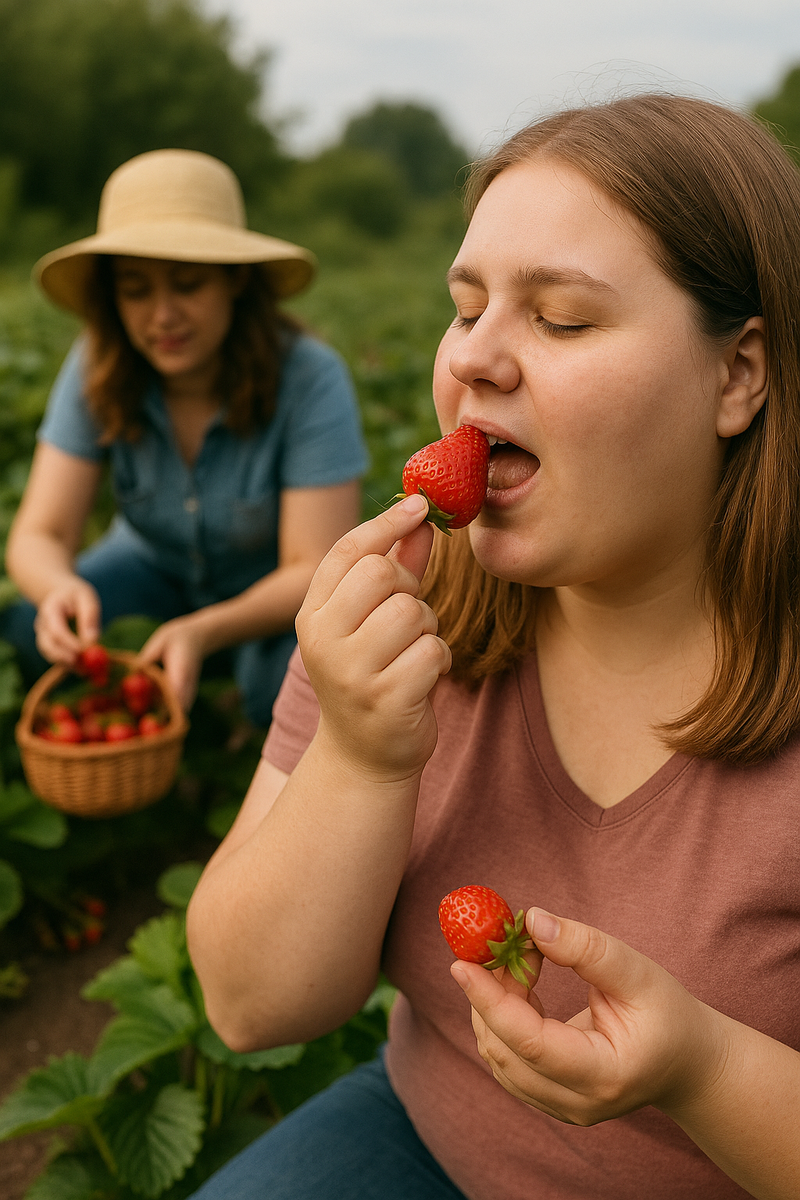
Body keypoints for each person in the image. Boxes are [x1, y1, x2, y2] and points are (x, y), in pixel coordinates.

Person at [185, 93, 800, 1200]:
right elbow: (251, 1004)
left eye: (560, 319)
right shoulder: (403, 621)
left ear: (736, 375)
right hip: (424, 1131)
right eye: (465, 309)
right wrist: (360, 755)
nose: (475, 357)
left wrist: (703, 1070)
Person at [2, 148, 368, 726]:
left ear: (236, 280)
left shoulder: (308, 376)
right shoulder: (98, 365)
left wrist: (205, 631)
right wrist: (57, 590)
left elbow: (312, 566)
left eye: (188, 284)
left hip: (271, 593)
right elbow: (38, 534)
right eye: (135, 290)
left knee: (285, 685)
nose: (162, 316)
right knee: (28, 628)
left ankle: (233, 685)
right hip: (152, 568)